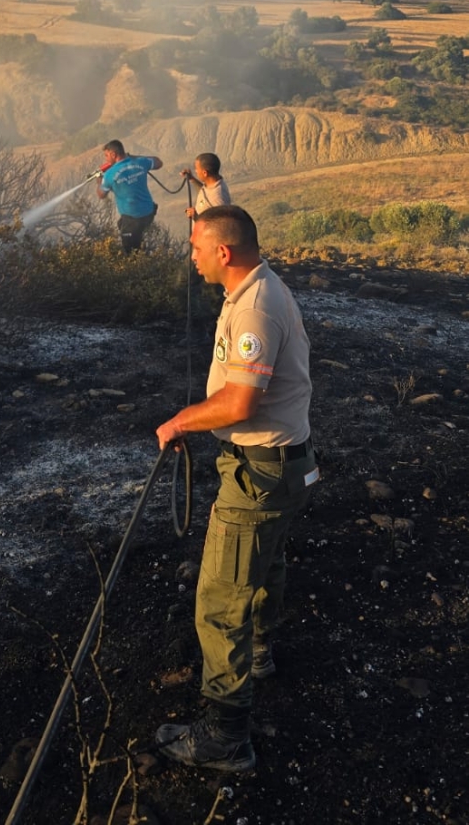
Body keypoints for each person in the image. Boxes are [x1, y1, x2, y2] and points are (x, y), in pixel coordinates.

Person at [154, 205, 318, 773]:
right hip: (286, 467)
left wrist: (181, 422)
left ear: (223, 252)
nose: (191, 255)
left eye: (196, 246)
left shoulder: (255, 307)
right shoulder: (254, 291)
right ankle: (262, 654)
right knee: (265, 566)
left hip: (260, 476)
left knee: (220, 601)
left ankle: (226, 737)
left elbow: (241, 400)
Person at [96, 139, 163, 254]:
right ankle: (141, 246)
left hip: (133, 217)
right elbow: (158, 162)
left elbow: (101, 195)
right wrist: (133, 157)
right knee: (121, 224)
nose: (106, 159)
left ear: (113, 154)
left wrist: (99, 182)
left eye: (106, 156)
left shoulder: (109, 174)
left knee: (131, 252)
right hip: (148, 211)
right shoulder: (140, 162)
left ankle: (140, 258)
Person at [181, 151, 231, 220]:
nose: (196, 171)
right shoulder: (211, 185)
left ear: (205, 173)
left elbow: (221, 223)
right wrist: (192, 179)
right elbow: (206, 192)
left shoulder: (218, 197)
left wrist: (196, 217)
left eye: (197, 169)